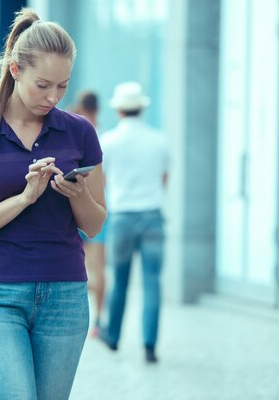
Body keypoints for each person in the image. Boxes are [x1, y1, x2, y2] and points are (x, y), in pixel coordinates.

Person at [0, 8, 106, 399]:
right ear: (15, 70)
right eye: (43, 85)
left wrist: (78, 193)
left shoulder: (80, 133)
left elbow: (96, 224)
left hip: (65, 295)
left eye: (63, 87)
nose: (53, 97)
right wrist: (23, 198)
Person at [98, 81, 169, 364]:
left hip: (122, 216)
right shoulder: (159, 139)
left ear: (119, 111)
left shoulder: (109, 141)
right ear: (141, 108)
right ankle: (150, 345)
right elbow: (165, 179)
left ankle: (113, 336)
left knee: (120, 280)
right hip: (153, 215)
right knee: (153, 282)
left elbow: (101, 181)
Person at [72, 90, 106, 337]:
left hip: (76, 204)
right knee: (97, 267)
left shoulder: (75, 131)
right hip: (101, 206)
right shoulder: (101, 134)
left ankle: (85, 315)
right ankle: (97, 318)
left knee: (81, 266)